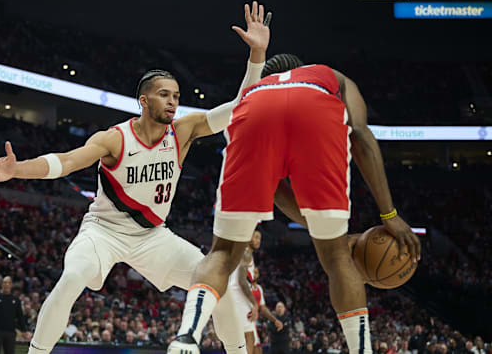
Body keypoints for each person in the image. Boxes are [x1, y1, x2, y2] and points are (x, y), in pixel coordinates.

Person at [0, 1, 280, 354]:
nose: (173, 102)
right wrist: (16, 169)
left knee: (216, 281)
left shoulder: (184, 131)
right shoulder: (114, 138)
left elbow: (243, 106)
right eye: (165, 95)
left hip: (153, 236)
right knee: (71, 278)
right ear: (144, 101)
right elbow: (68, 161)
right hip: (103, 231)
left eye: (176, 96)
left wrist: (257, 55)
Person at [168, 54, 421, 354]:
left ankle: (186, 339)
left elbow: (272, 187)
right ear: (301, 68)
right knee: (338, 258)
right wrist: (388, 214)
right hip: (314, 108)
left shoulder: (256, 89)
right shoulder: (330, 76)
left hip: (252, 110)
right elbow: (363, 137)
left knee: (222, 251)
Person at [226, 231, 275, 354]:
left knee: (247, 339)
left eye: (260, 238)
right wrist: (254, 304)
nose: (258, 240)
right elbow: (242, 281)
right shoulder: (246, 253)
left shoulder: (245, 253)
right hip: (238, 297)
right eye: (256, 237)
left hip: (236, 297)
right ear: (248, 237)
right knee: (247, 338)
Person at [0, 276, 27, 354]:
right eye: (5, 282)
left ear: (11, 285)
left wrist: (24, 330)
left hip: (10, 332)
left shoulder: (16, 300)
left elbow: (20, 316)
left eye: (8, 283)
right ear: (2, 284)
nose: (6, 284)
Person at [246, 267, 282, 354]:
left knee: (257, 350)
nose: (254, 274)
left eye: (256, 272)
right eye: (252, 272)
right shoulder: (245, 286)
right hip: (244, 321)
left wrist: (274, 320)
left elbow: (263, 308)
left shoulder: (259, 288)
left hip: (252, 323)